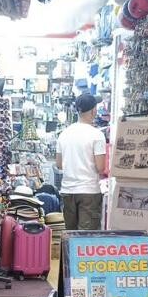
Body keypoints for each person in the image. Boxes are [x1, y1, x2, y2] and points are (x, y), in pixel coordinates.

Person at [55, 93, 107, 231]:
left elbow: (59, 164)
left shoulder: (64, 134)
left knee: (71, 237)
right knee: (86, 240)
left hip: (67, 191)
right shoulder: (97, 135)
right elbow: (101, 167)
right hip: (89, 191)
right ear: (94, 110)